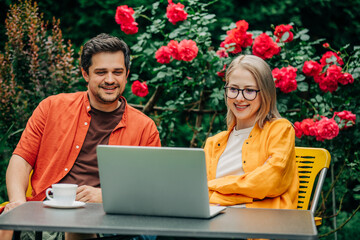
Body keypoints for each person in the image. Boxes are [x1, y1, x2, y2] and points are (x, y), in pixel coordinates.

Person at [2, 33, 161, 239]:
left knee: (78, 227)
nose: (110, 80)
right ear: (85, 74)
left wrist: (106, 196)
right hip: (45, 212)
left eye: (117, 72)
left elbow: (152, 191)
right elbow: (21, 160)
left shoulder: (144, 128)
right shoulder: (51, 107)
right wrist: (17, 203)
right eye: (101, 72)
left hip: (110, 218)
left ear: (126, 74)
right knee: (7, 220)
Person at [204, 55, 299, 209]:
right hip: (216, 222)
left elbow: (269, 182)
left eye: (249, 90)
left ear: (265, 93)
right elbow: (200, 192)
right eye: (233, 89)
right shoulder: (213, 143)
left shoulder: (280, 130)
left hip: (261, 224)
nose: (240, 98)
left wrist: (215, 187)